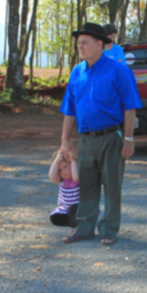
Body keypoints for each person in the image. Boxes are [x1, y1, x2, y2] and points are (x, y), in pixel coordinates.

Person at [58, 22, 141, 246]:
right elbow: (70, 108)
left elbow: (130, 106)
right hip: (85, 139)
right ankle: (84, 227)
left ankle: (109, 228)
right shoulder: (77, 72)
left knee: (112, 184)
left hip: (111, 137)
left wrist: (129, 138)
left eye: (85, 42)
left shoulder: (119, 70)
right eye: (78, 43)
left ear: (100, 44)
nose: (80, 46)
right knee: (86, 183)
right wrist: (65, 140)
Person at [48, 149, 80, 227]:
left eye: (65, 167)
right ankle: (69, 221)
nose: (63, 171)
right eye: (59, 170)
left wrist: (73, 161)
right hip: (65, 208)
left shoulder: (77, 178)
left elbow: (76, 177)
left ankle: (75, 221)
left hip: (78, 207)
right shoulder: (63, 182)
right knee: (55, 217)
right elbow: (52, 177)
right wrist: (56, 161)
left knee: (75, 210)